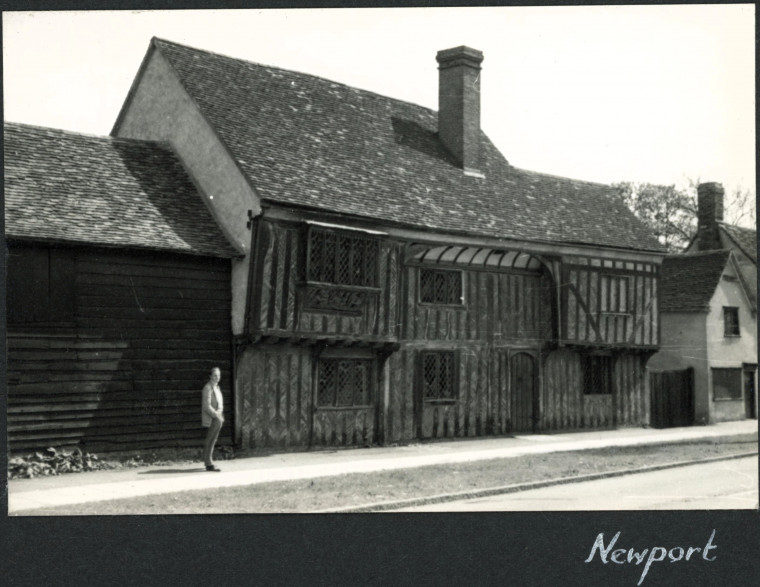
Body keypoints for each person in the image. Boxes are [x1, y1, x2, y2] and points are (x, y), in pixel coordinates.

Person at [201, 367, 224, 472]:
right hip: (212, 418)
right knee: (210, 439)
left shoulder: (216, 388)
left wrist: (220, 415)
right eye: (215, 375)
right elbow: (206, 406)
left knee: (213, 439)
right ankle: (208, 463)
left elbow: (219, 403)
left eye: (218, 375)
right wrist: (215, 415)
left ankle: (208, 460)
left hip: (218, 418)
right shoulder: (208, 388)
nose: (217, 377)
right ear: (210, 376)